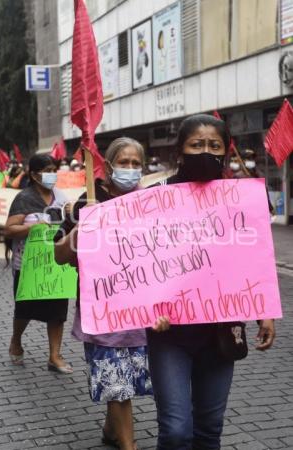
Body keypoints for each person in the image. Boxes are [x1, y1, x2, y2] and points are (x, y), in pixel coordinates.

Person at [147, 114, 276, 450]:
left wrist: (264, 311)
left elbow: (255, 256)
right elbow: (139, 264)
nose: (205, 151)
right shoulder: (153, 199)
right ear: (180, 151)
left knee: (209, 429)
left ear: (226, 151)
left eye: (214, 145)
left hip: (221, 330)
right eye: (196, 144)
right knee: (175, 431)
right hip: (169, 333)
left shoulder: (243, 200)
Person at [54, 137, 152, 450]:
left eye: (136, 164)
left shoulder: (150, 202)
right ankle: (128, 445)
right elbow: (59, 255)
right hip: (103, 313)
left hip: (140, 313)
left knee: (129, 382)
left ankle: (112, 432)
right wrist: (83, 227)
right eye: (124, 163)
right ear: (108, 167)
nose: (131, 169)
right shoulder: (87, 202)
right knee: (117, 384)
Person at [4, 154, 73, 373]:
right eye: (47, 170)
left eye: (55, 169)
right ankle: (16, 340)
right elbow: (9, 229)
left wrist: (71, 214)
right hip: (27, 266)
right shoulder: (23, 198)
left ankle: (54, 356)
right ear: (34, 175)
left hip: (56, 265)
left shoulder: (61, 197)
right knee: (24, 310)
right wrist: (31, 228)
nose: (53, 174)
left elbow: (69, 227)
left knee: (57, 312)